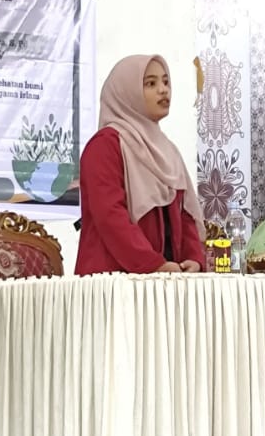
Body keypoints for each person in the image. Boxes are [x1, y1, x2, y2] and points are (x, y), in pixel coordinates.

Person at [76, 54, 206, 275]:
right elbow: (110, 216)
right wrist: (153, 264)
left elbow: (184, 214)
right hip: (112, 281)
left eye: (166, 82)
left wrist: (193, 259)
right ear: (126, 92)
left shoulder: (167, 150)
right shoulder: (105, 146)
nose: (163, 90)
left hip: (164, 281)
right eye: (151, 84)